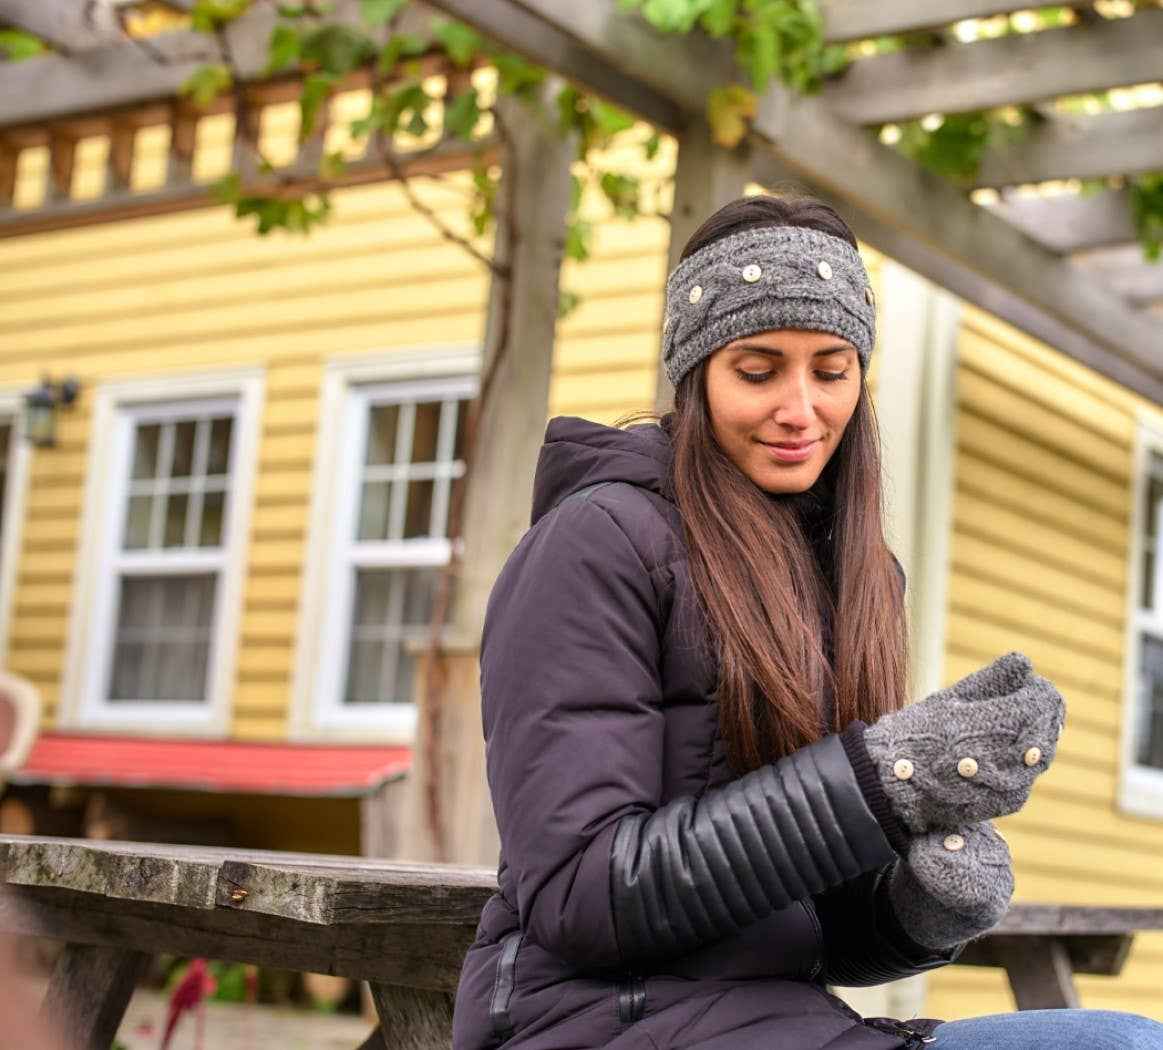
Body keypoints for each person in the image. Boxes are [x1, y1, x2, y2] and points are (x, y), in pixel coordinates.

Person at [451, 195, 1163, 1049]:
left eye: (831, 371)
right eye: (757, 370)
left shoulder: (856, 576)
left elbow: (805, 924)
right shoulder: (596, 544)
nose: (801, 409)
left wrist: (917, 905)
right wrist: (887, 778)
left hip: (784, 1025)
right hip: (590, 1027)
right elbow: (581, 897)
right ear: (695, 373)